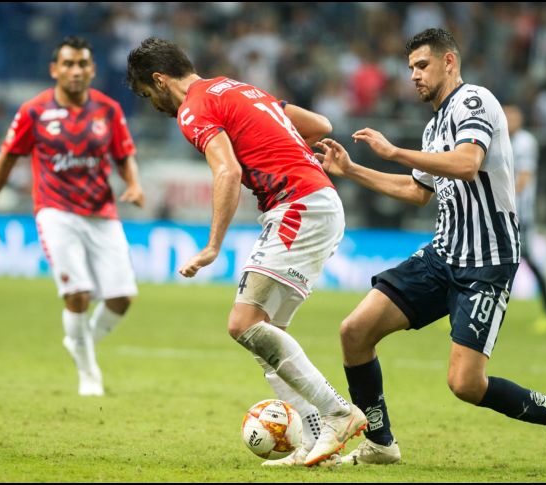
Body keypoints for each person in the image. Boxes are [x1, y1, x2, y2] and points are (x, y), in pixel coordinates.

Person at [315, 28, 546, 471]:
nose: (414, 76)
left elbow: (467, 163)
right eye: (410, 69)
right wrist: (352, 171)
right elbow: (417, 191)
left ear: (449, 62)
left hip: (487, 260)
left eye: (421, 66)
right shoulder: (433, 125)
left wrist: (393, 150)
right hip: (444, 254)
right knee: (355, 331)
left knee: (465, 383)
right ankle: (380, 442)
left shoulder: (475, 101)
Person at [126, 37, 366, 467]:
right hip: (313, 203)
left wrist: (212, 245)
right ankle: (316, 445)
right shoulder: (236, 88)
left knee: (243, 324)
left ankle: (337, 413)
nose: (153, 104)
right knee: (267, 340)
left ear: (160, 80)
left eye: (148, 94)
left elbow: (227, 169)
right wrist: (275, 139)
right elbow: (322, 123)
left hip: (299, 205)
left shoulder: (192, 109)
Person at [0, 36, 144, 397]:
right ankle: (89, 375)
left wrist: (133, 183)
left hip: (102, 212)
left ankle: (79, 341)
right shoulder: (34, 111)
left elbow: (123, 153)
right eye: (68, 64)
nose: (75, 70)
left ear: (92, 69)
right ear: (54, 69)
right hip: (56, 212)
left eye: (82, 63)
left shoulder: (108, 110)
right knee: (79, 294)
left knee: (122, 298)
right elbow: (6, 159)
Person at [503, 104, 546, 334]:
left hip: (520, 213)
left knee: (527, 261)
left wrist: (504, 199)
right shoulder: (500, 139)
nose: (508, 120)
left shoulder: (525, 141)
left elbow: (525, 176)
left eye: (512, 116)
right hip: (505, 212)